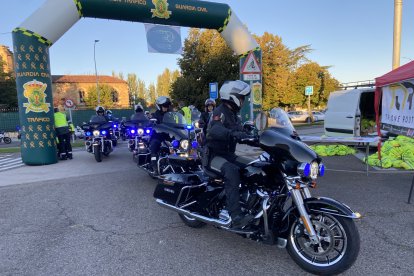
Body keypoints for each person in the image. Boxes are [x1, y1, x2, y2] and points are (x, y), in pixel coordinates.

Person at [205, 80, 253, 229]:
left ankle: (250, 202)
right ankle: (236, 215)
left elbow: (242, 132)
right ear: (233, 97)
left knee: (254, 166)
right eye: (241, 97)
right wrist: (232, 134)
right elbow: (214, 130)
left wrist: (256, 137)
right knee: (232, 171)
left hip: (229, 155)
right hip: (213, 156)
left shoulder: (234, 115)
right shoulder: (218, 112)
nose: (243, 101)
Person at [149, 96, 172, 175]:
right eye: (164, 106)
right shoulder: (155, 115)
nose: (166, 108)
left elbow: (177, 122)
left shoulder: (171, 114)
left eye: (167, 106)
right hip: (158, 135)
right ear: (159, 106)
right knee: (154, 146)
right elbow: (151, 123)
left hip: (169, 135)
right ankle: (155, 167)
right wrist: (153, 123)